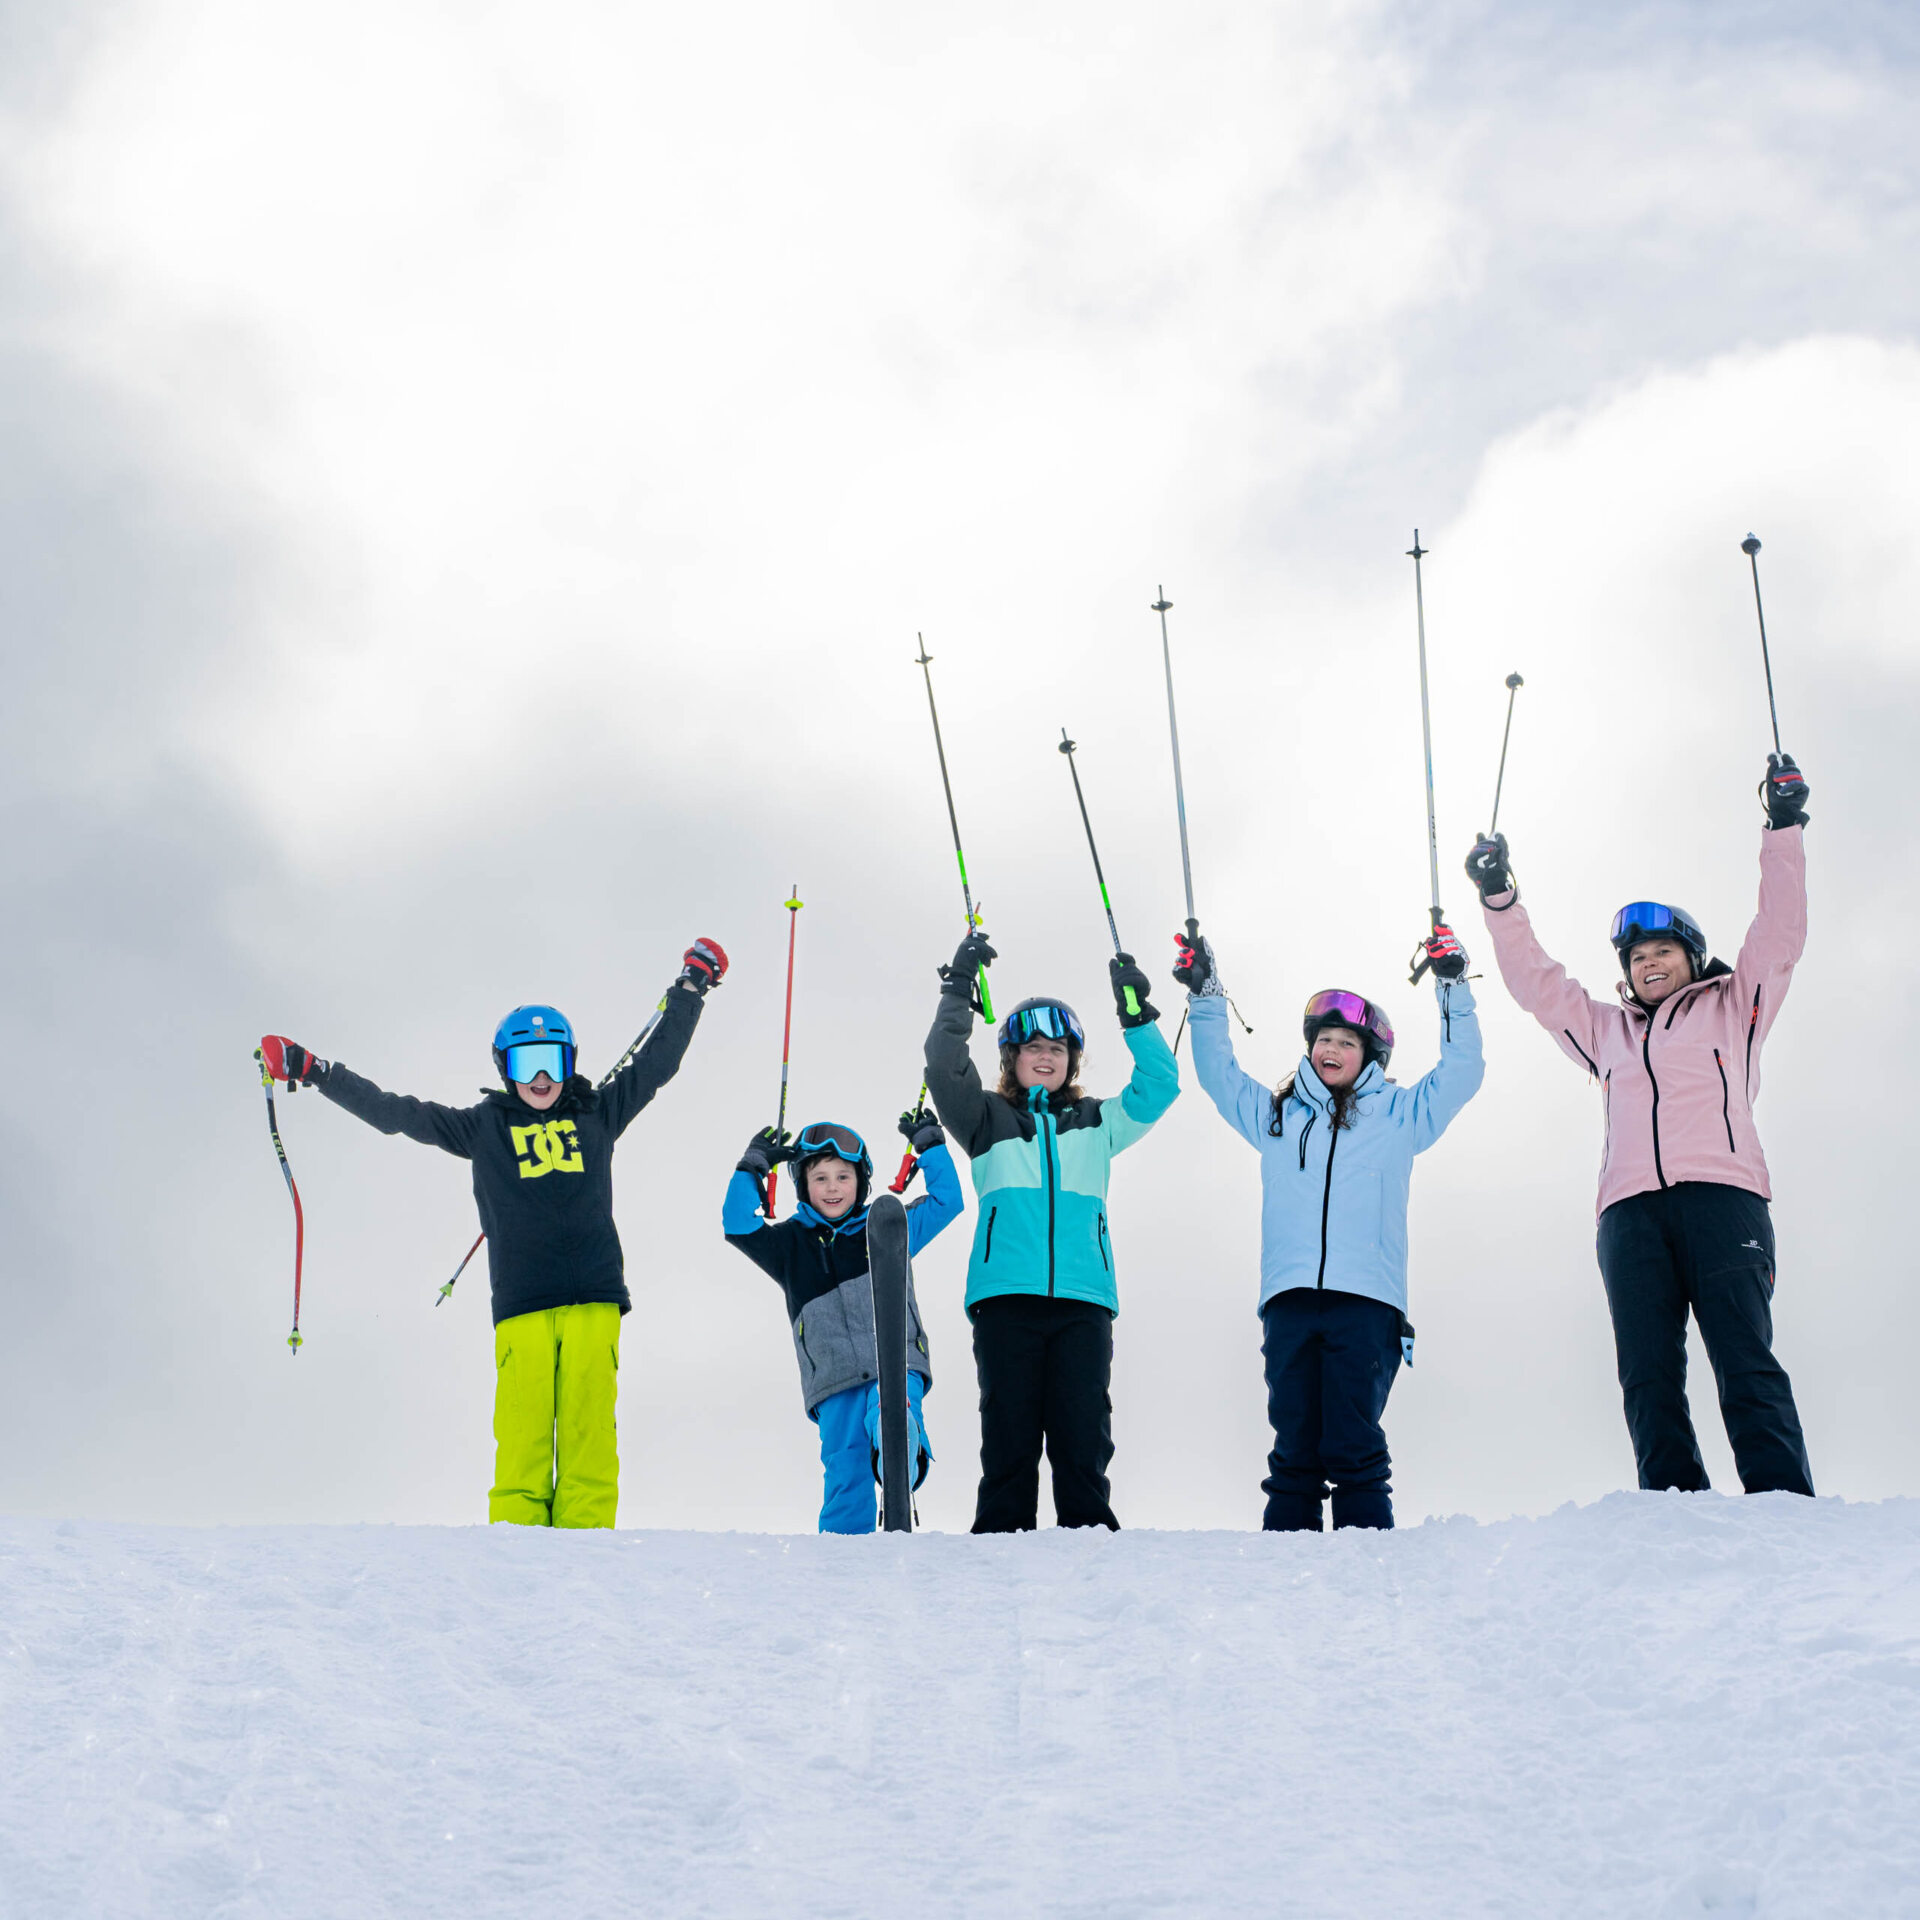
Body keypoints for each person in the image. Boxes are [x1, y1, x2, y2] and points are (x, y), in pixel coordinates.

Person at [257, 938, 728, 1529]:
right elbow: (394, 1113)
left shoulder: (597, 1115)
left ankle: (587, 1557)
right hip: (523, 1305)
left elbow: (656, 1065)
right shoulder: (481, 1129)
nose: (539, 1077)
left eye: (552, 1063)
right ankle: (519, 1554)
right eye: (526, 1063)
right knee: (523, 1437)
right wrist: (315, 1069)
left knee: (589, 1435)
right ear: (505, 1070)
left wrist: (690, 989)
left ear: (570, 1064)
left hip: (593, 1300)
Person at [1465, 751, 1815, 1497]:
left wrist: (1782, 827)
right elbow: (1537, 984)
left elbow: (1778, 933)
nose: (1650, 965)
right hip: (1629, 1215)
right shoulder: (1607, 1033)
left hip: (1723, 1201)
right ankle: (1673, 1509)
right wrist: (1500, 898)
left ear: (1692, 960)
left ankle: (1783, 1505)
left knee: (1744, 1358)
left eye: (1663, 952)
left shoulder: (1734, 1008)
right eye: (1637, 958)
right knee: (1647, 1373)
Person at [1175, 924, 1484, 1530]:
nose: (1332, 1048)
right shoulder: (1277, 1117)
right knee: (1294, 1445)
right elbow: (1217, 1073)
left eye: (1347, 1040)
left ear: (1370, 1054)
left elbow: (1463, 1069)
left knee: (1351, 1440)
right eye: (1324, 1037)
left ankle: (1366, 1568)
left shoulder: (1401, 1115)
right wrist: (1206, 994)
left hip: (1366, 1303)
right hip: (1289, 1299)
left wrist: (1452, 986)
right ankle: (1285, 1574)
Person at [924, 931, 1179, 1532]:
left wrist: (1136, 1016)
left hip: (1083, 1302)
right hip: (1006, 1297)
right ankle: (998, 1549)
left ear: (1074, 1060)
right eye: (1032, 1045)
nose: (1047, 1055)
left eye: (1060, 1047)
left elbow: (1160, 1085)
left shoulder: (1099, 1123)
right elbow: (942, 1064)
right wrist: (959, 988)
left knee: (1082, 1433)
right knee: (1009, 1435)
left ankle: (1090, 1546)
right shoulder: (984, 1118)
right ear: (1011, 1057)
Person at [722, 1109, 961, 1533]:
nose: (832, 1187)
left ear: (861, 1182)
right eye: (820, 1178)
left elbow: (947, 1201)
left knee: (888, 1411)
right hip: (833, 1382)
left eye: (843, 1177)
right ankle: (840, 1557)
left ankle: (899, 1452)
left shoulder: (888, 1227)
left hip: (894, 1363)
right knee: (844, 1474)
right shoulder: (788, 1245)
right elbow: (738, 1224)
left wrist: (929, 1146)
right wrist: (752, 1167)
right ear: (804, 1186)